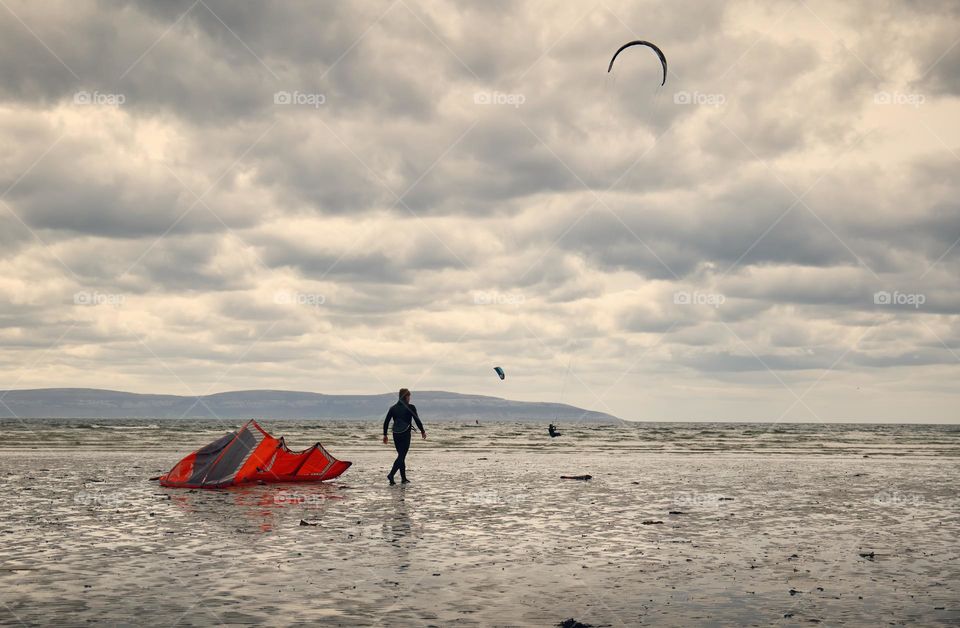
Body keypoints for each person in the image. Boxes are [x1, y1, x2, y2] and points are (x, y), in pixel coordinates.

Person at [382, 388, 426, 485]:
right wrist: (422, 430)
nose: (410, 398)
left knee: (401, 456)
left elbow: (386, 422)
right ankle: (391, 474)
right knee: (402, 456)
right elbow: (417, 419)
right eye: (409, 396)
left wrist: (385, 434)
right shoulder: (411, 407)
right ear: (406, 396)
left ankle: (403, 478)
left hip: (395, 433)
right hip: (405, 433)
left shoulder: (392, 408)